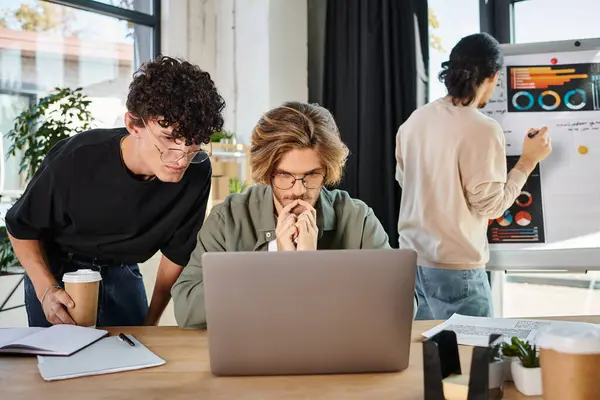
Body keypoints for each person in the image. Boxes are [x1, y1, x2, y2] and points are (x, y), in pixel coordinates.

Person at [5, 55, 226, 327]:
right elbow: (21, 227)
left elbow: (175, 256)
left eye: (193, 146)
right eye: (169, 139)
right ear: (135, 125)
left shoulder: (197, 171)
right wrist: (46, 289)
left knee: (135, 356)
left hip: (123, 272)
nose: (181, 159)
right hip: (60, 271)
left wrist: (151, 322)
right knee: (60, 364)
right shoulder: (78, 157)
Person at [171, 101, 399, 329]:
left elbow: (403, 304)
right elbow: (186, 309)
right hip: (253, 354)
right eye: (284, 175)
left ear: (327, 170)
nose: (298, 190)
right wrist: (273, 268)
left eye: (312, 175)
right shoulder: (228, 217)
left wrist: (312, 267)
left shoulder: (357, 217)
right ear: (266, 171)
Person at [395, 33, 552, 320]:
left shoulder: (414, 120)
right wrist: (528, 161)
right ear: (492, 76)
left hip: (413, 264)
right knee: (474, 360)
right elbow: (491, 206)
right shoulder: (483, 128)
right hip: (458, 271)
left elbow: (406, 181)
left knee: (430, 359)